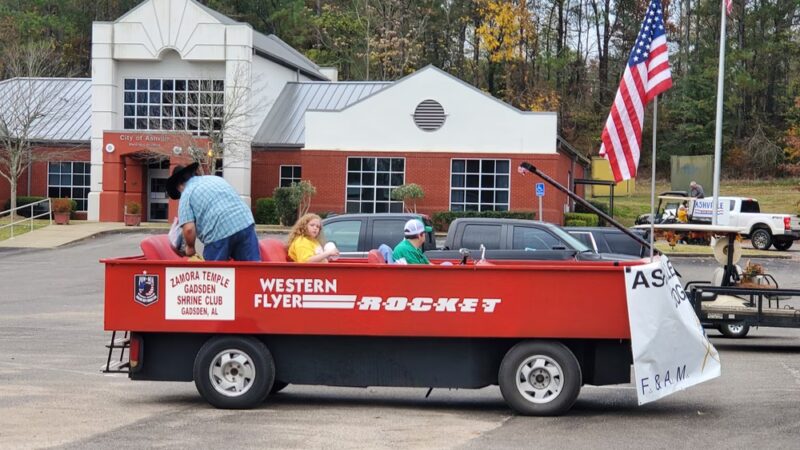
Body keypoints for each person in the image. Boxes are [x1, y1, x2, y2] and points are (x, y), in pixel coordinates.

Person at [166, 162, 260, 261]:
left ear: (179, 186)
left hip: (219, 231)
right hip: (245, 223)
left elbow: (189, 229)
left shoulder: (186, 194)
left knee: (214, 270)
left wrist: (190, 247)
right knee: (251, 267)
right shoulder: (215, 179)